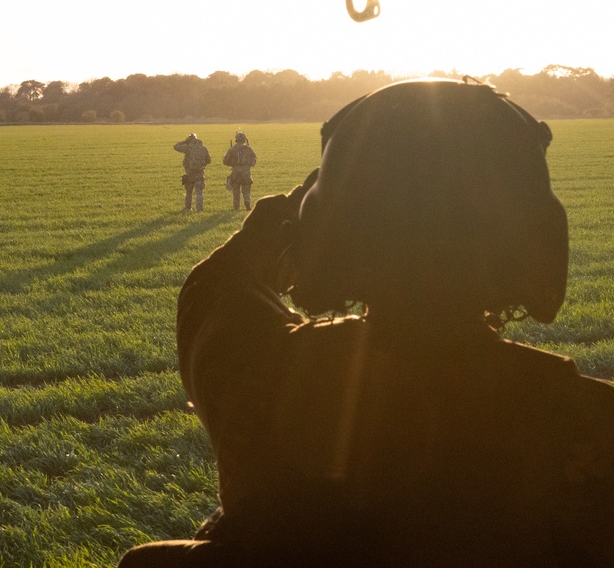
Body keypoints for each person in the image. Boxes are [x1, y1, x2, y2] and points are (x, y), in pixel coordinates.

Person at [119, 79, 614, 567]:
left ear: (326, 238)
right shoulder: (591, 423)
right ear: (539, 240)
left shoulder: (263, 375)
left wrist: (295, 214)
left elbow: (217, 292)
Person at [174, 133, 212, 212]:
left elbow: (176, 147)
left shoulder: (188, 147)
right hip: (200, 173)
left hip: (190, 173)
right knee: (199, 192)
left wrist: (184, 142)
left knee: (189, 192)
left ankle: (188, 208)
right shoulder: (204, 148)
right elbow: (209, 160)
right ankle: (199, 209)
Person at [223, 131, 257, 211]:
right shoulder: (249, 149)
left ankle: (236, 207)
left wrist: (232, 164)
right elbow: (254, 159)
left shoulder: (232, 149)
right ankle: (247, 202)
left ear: (236, 139)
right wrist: (248, 165)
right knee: (246, 190)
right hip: (246, 173)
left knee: (236, 191)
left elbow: (225, 161)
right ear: (245, 140)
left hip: (235, 173)